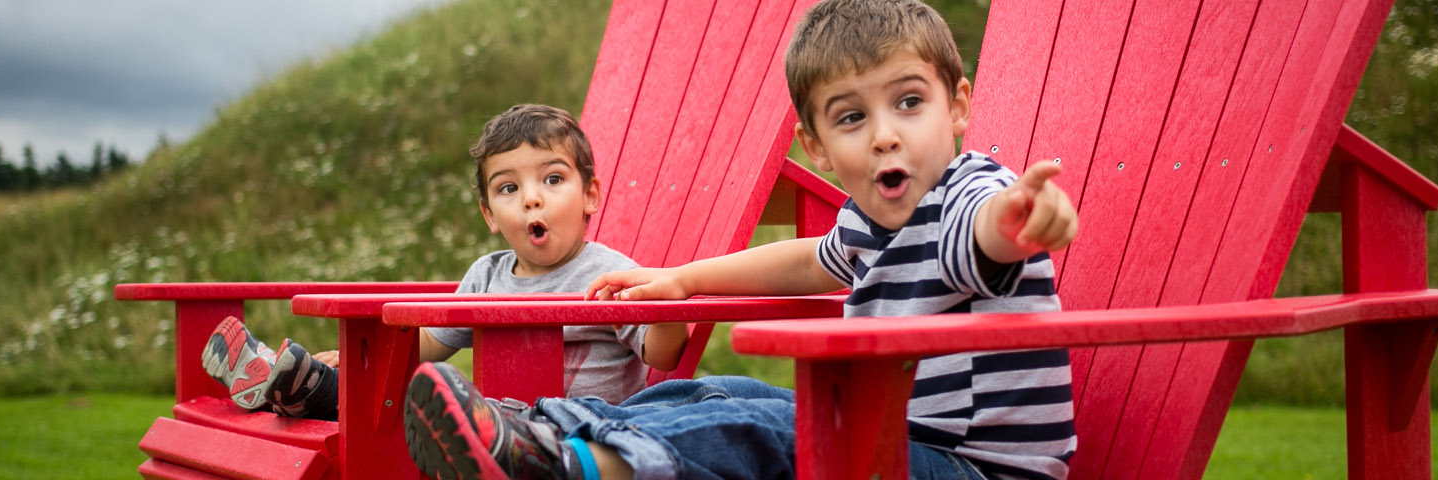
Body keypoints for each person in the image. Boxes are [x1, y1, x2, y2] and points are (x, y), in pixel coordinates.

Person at [399, 0, 1081, 478]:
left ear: (957, 107)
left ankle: (565, 467)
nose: (884, 134)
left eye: (909, 102)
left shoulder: (969, 193)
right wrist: (688, 280)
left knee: (767, 429)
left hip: (971, 469)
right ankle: (528, 429)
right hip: (896, 444)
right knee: (712, 394)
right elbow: (803, 262)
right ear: (816, 147)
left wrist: (1019, 221)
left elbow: (982, 233)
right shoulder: (870, 222)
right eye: (851, 118)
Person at [200, 104, 691, 421]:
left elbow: (662, 355)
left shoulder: (609, 272)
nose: (531, 200)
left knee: (435, 407)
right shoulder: (487, 276)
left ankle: (309, 391)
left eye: (553, 180)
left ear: (590, 195)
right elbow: (427, 344)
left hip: (587, 434)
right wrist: (355, 358)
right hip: (494, 432)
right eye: (508, 188)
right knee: (409, 395)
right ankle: (295, 381)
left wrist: (668, 303)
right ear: (489, 215)